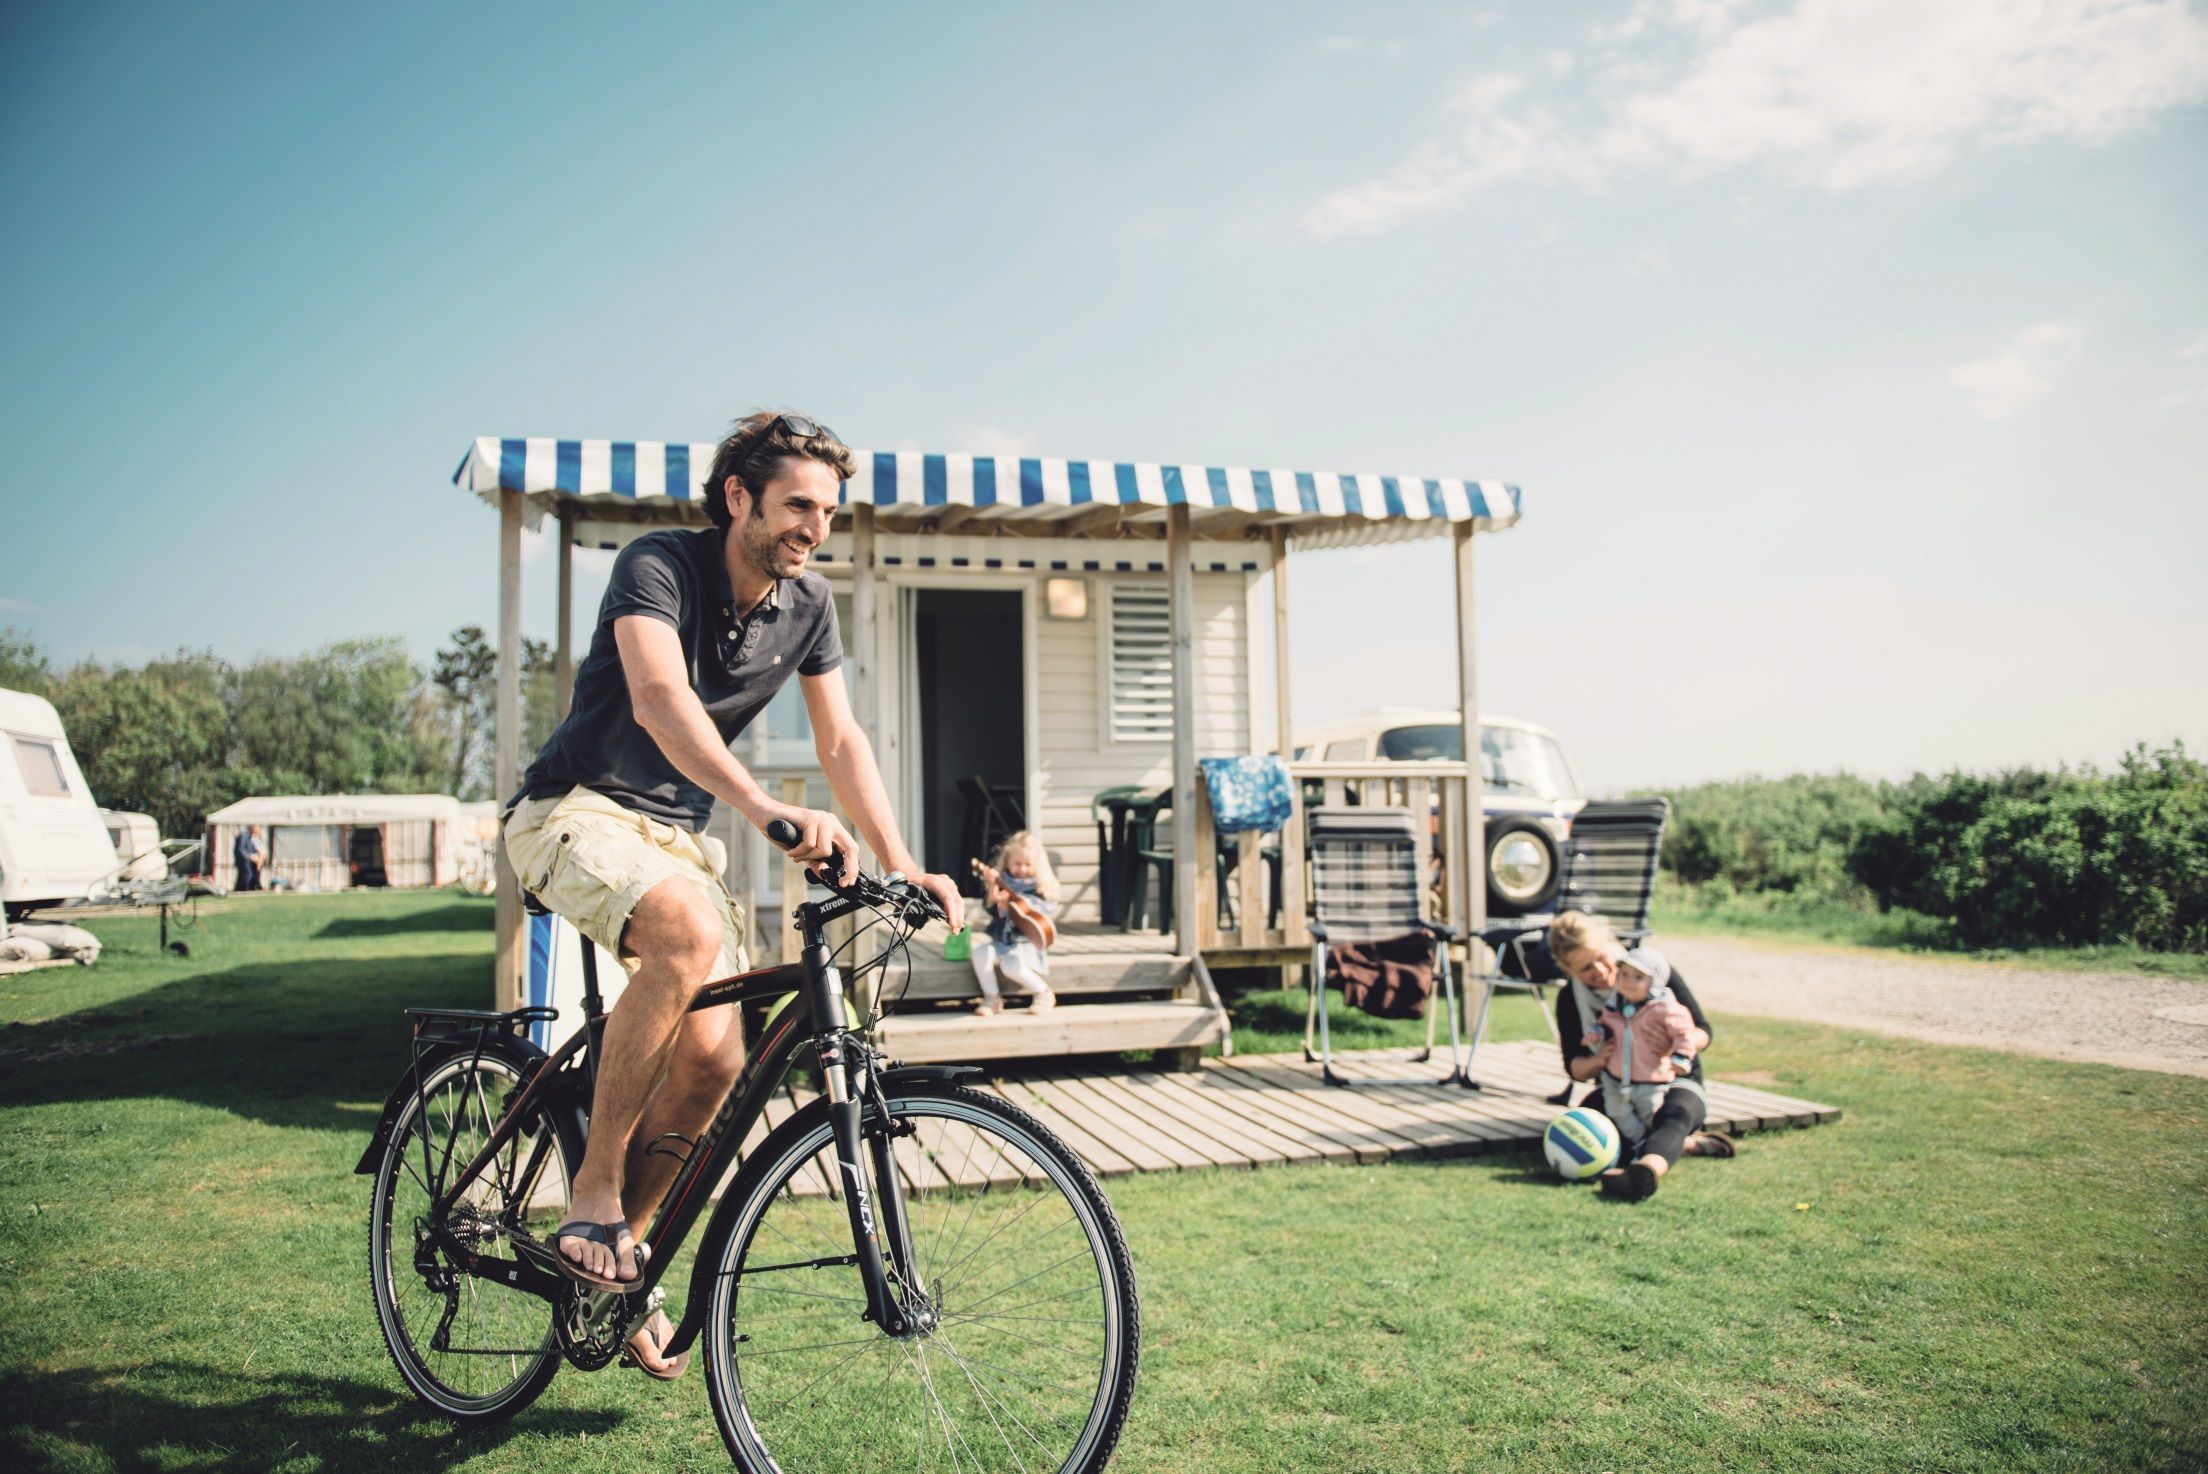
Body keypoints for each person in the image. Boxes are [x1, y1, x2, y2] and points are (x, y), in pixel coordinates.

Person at [501, 409, 961, 1379]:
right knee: (685, 925)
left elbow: (841, 742)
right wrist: (765, 809)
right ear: (739, 497)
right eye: (799, 504)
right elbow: (659, 696)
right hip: (574, 810)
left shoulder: (809, 605)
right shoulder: (658, 565)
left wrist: (902, 857)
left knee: (716, 1065)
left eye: (828, 509)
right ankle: (588, 1187)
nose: (815, 526)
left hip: (676, 837)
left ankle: (615, 1262)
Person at [1548, 910, 1735, 1201]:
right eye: (1585, 968)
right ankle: (1682, 1145)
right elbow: (1574, 1067)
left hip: (1672, 1079)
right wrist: (1598, 1059)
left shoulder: (1652, 970)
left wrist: (1674, 1046)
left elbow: (1703, 1030)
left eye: (1601, 957)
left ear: (1608, 943)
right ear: (1569, 970)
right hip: (1619, 1086)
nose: (1599, 970)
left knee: (1676, 1113)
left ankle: (1646, 1171)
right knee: (1586, 1120)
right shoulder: (1570, 999)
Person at [969, 830, 1058, 1017]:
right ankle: (992, 998)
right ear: (1007, 861)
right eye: (1017, 863)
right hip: (1002, 941)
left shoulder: (1039, 886)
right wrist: (993, 886)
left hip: (1025, 944)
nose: (1022, 869)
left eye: (1028, 864)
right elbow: (990, 907)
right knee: (980, 953)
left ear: (1037, 865)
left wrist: (1020, 904)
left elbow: (1044, 909)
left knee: (1011, 966)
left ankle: (1043, 993)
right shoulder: (1003, 882)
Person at [234, 825, 265, 892]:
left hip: (248, 860)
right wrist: (249, 857)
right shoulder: (244, 836)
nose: (259, 830)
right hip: (243, 860)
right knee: (247, 874)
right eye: (258, 828)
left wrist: (255, 857)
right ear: (254, 828)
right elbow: (241, 849)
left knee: (250, 874)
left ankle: (242, 889)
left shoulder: (251, 837)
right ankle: (242, 889)